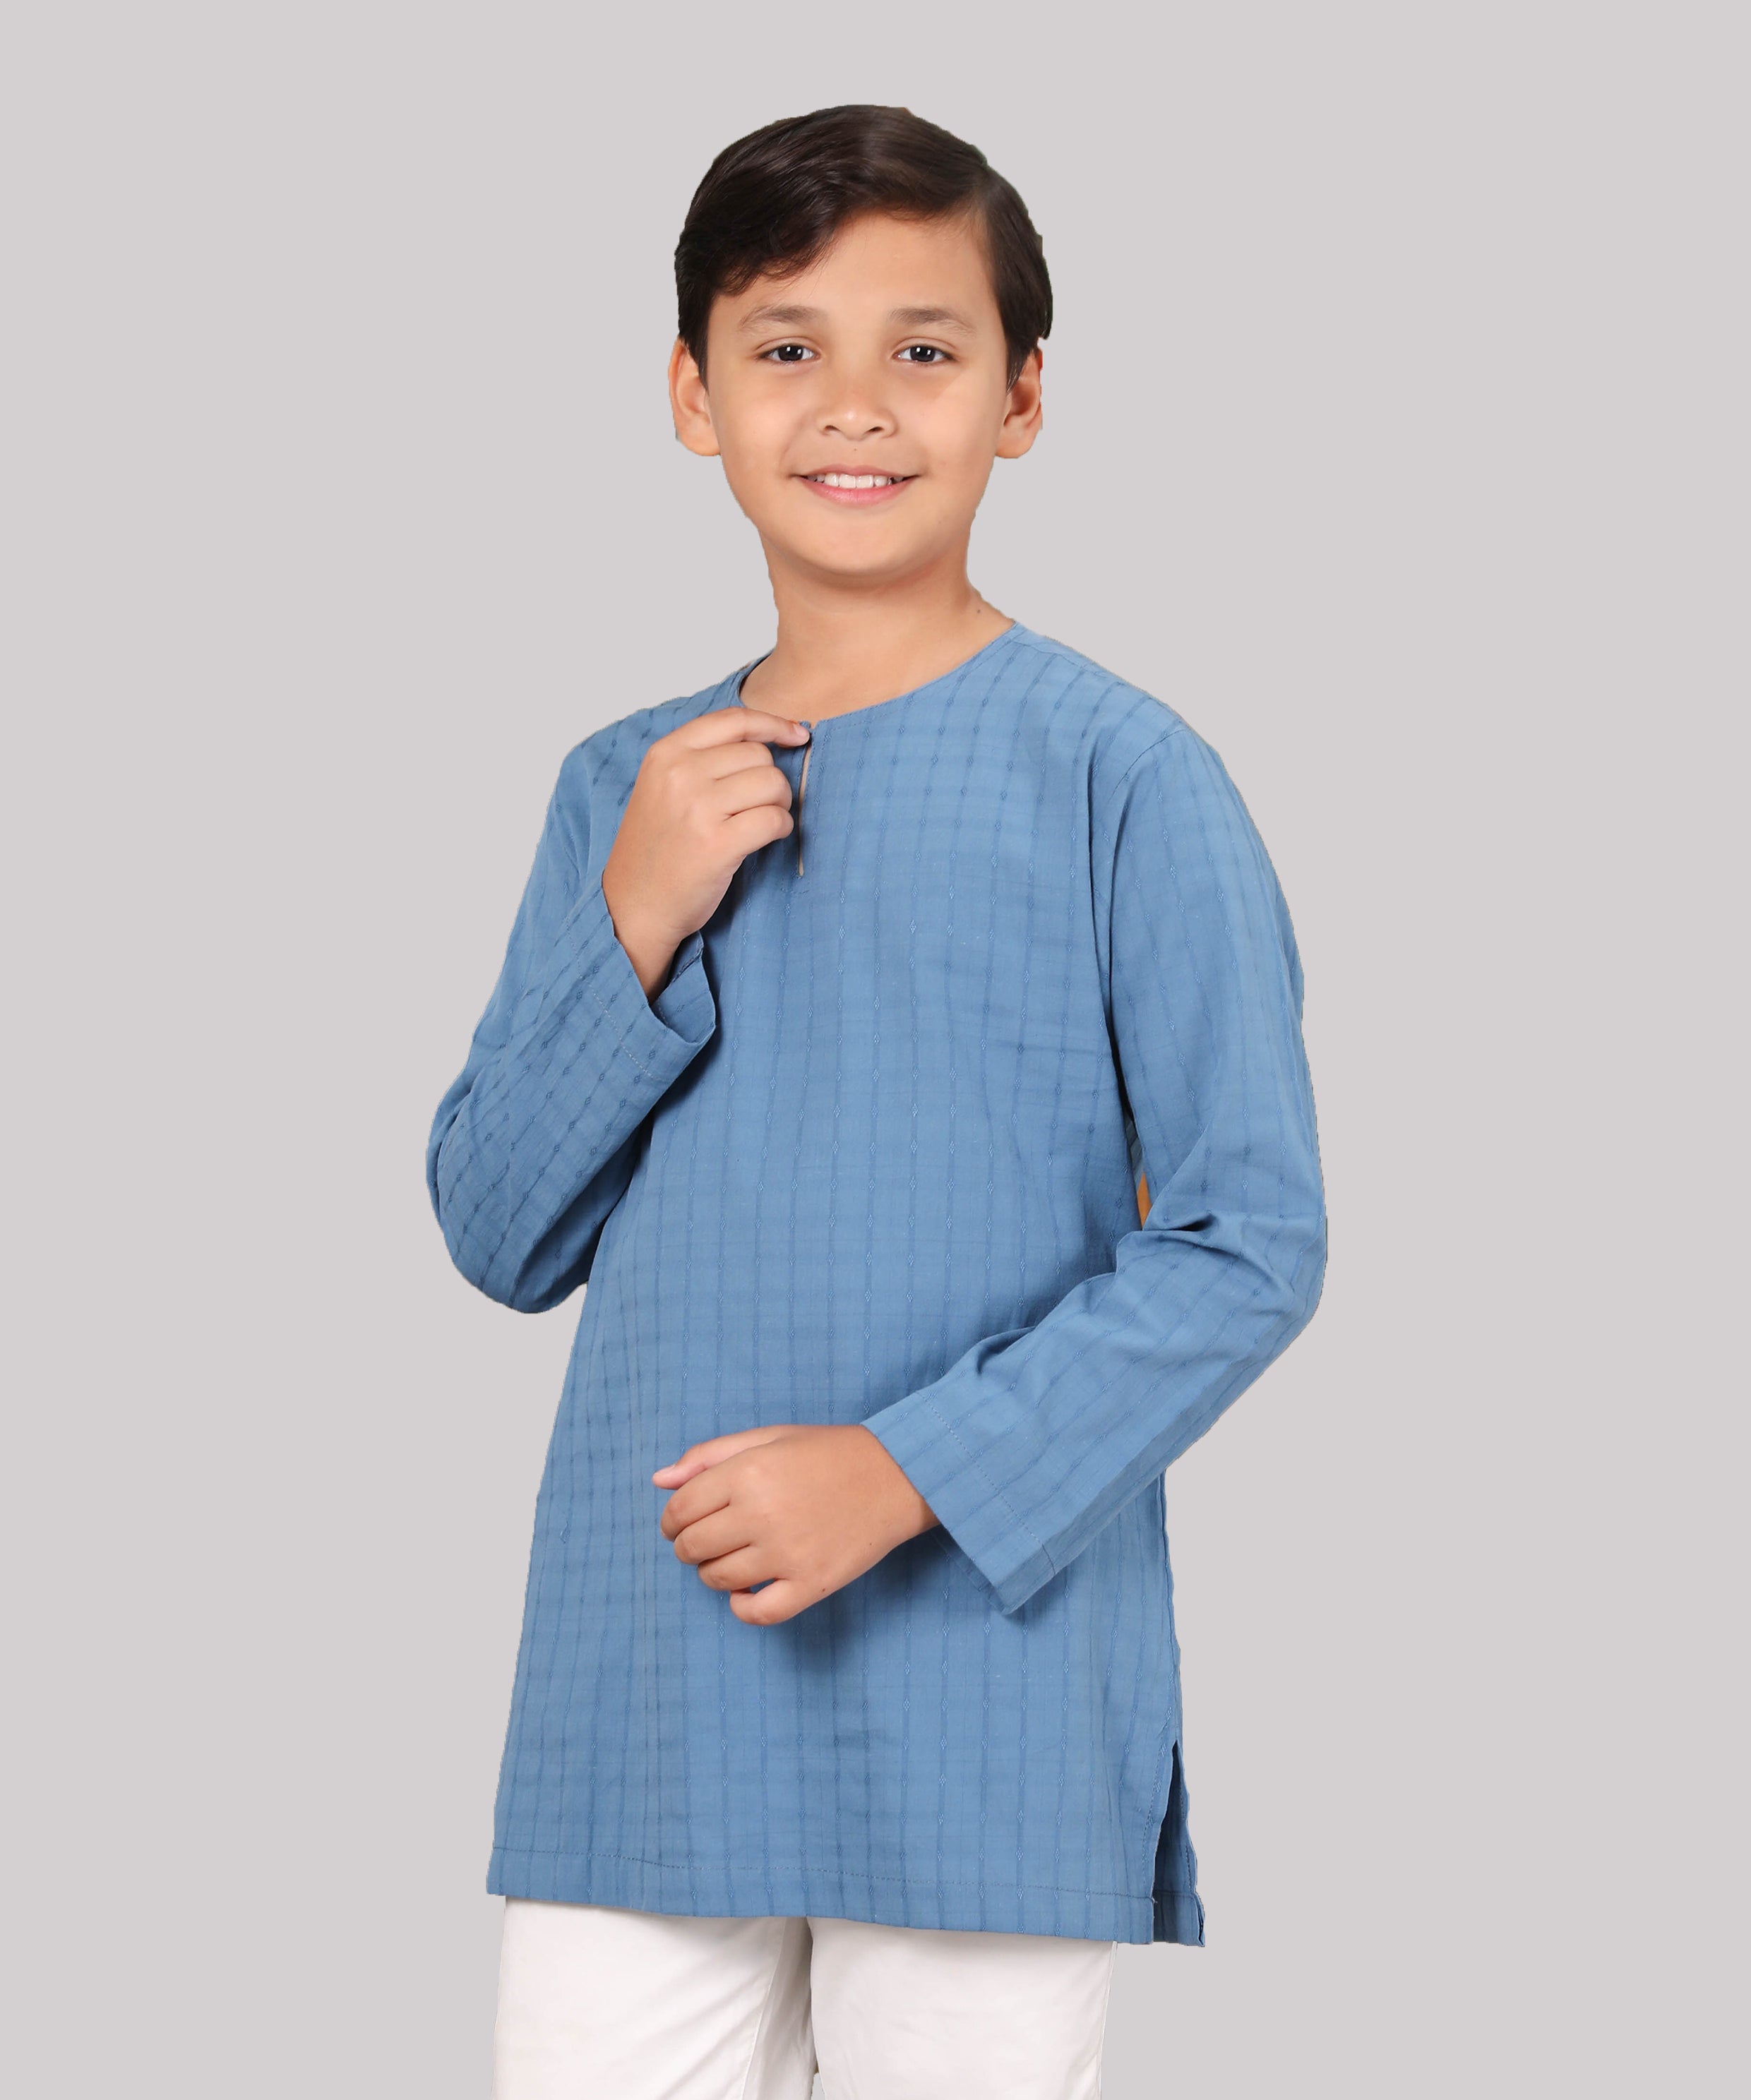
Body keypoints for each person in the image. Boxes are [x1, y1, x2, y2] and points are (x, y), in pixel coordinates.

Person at [426, 102, 1327, 2100]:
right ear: (694, 395)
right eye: (785, 346)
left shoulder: (1123, 776)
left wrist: (904, 1473)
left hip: (982, 1678)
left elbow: (1250, 1240)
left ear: (1022, 396)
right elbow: (497, 1229)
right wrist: (638, 915)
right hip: (646, 1694)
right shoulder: (622, 787)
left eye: (924, 347)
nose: (854, 404)